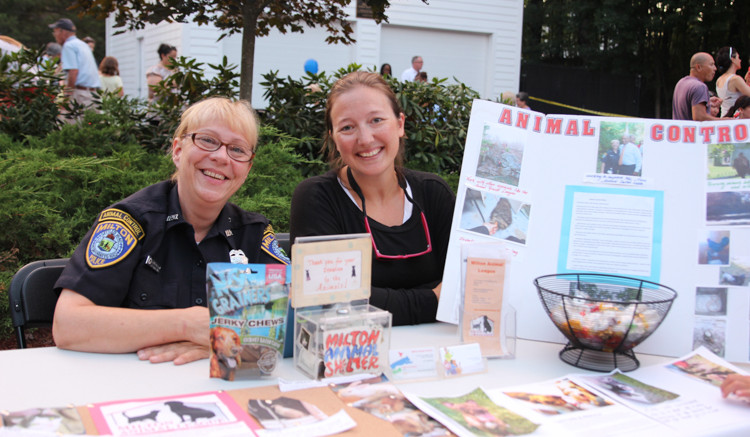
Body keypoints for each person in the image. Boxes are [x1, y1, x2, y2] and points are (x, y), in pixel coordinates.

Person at [52, 97, 290, 365]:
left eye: (237, 150)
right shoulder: (129, 223)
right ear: (177, 151)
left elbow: (294, 319)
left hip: (218, 388)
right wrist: (188, 325)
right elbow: (67, 325)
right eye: (208, 141)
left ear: (247, 169)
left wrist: (218, 341)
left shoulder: (254, 234)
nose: (221, 157)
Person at [290, 71, 456, 325]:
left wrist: (373, 300)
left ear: (400, 124)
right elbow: (331, 303)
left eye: (376, 120)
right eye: (347, 127)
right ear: (333, 138)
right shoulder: (317, 199)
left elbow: (464, 287)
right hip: (354, 354)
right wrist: (433, 299)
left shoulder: (433, 194)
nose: (365, 139)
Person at [48, 18, 100, 109]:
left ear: (62, 32)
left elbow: (73, 72)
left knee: (65, 121)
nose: (54, 35)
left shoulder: (69, 46)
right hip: (93, 95)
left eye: (55, 32)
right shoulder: (83, 44)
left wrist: (67, 97)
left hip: (80, 95)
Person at [672, 52, 721, 121]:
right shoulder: (700, 86)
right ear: (698, 67)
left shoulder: (681, 83)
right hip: (691, 131)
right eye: (711, 65)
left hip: (680, 131)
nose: (715, 68)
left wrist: (707, 102)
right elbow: (699, 117)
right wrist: (726, 121)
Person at [715, 46, 750, 117]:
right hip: (735, 119)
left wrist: (746, 81)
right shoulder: (735, 79)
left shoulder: (719, 79)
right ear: (732, 59)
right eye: (738, 57)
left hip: (724, 118)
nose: (740, 60)